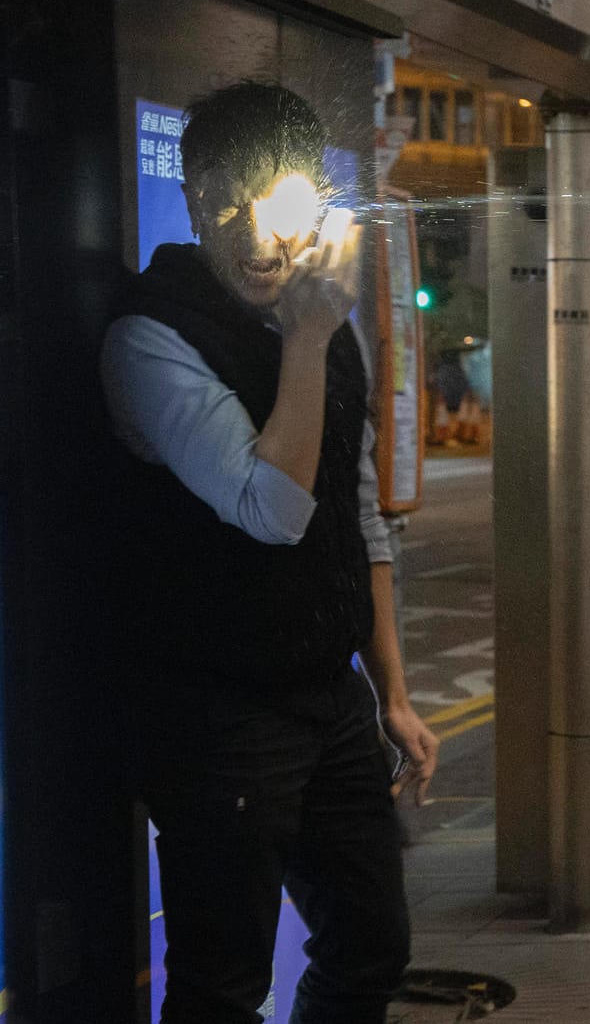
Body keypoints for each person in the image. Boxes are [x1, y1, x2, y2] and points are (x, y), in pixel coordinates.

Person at [101, 81, 439, 1023]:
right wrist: (305, 341)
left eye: (280, 204)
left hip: (325, 697)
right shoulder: (149, 336)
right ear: (195, 196)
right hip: (216, 711)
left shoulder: (322, 321)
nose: (258, 237)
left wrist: (394, 693)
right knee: (222, 984)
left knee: (372, 943)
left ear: (312, 202)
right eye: (223, 201)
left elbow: (353, 510)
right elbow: (274, 508)